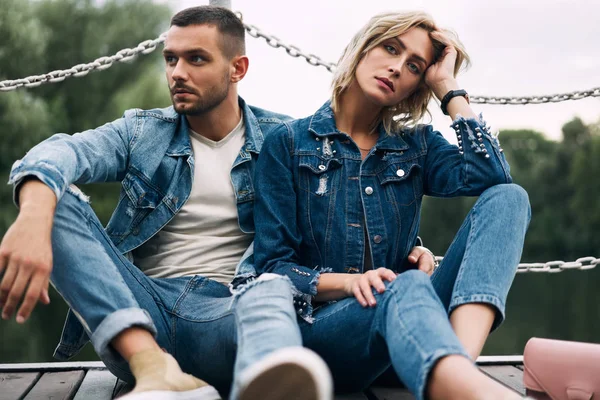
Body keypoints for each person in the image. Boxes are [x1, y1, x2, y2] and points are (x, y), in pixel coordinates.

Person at [0, 6, 337, 400]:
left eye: (196, 59)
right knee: (54, 197)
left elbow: (344, 205)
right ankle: (154, 368)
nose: (177, 73)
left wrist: (410, 248)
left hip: (230, 312)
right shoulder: (143, 131)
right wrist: (35, 215)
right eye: (171, 59)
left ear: (238, 68)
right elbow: (63, 152)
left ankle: (267, 379)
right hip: (142, 316)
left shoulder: (284, 138)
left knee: (270, 288)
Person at [253, 10, 531, 400]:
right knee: (400, 288)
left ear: (417, 85)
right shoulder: (288, 143)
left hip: (411, 322)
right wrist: (351, 284)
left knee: (511, 198)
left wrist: (448, 88)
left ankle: (457, 370)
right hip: (332, 333)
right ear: (363, 48)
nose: (397, 67)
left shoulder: (416, 144)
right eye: (391, 48)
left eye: (414, 66)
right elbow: (271, 271)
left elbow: (492, 175)